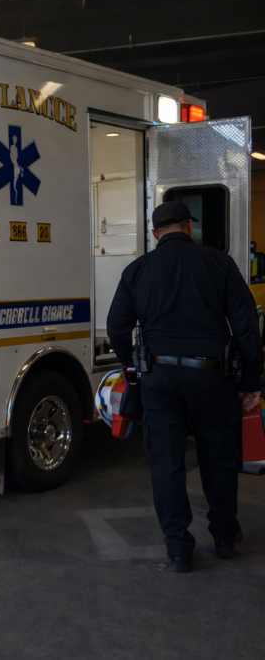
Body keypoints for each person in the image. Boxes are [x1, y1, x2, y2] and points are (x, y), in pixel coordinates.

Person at [107, 201, 263, 573]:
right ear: (189, 227)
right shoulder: (220, 263)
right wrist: (252, 380)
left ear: (154, 233)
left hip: (159, 379)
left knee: (166, 462)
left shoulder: (137, 269)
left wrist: (134, 364)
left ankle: (178, 548)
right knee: (218, 458)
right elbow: (245, 326)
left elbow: (116, 326)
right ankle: (224, 537)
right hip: (212, 377)